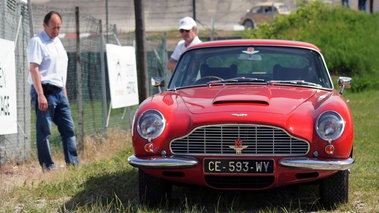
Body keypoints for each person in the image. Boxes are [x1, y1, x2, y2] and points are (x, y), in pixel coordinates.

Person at [27, 11, 80, 172]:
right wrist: (40, 94)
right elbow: (34, 69)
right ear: (44, 25)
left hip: (59, 92)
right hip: (45, 92)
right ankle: (47, 167)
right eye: (53, 27)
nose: (56, 31)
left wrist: (64, 92)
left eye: (58, 27)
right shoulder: (37, 42)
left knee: (68, 128)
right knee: (44, 131)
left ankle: (73, 163)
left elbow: (59, 71)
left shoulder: (58, 43)